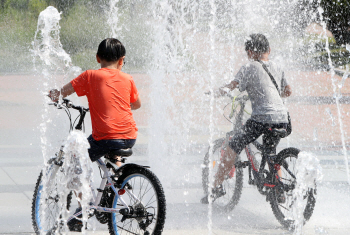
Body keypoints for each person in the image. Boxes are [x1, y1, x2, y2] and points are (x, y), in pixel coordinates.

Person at [48, 38, 141, 231]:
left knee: (73, 160)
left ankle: (86, 207)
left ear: (98, 58)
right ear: (122, 61)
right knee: (113, 150)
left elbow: (62, 93)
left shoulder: (90, 76)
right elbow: (136, 104)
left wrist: (53, 95)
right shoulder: (128, 79)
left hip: (105, 136)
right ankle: (117, 185)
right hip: (130, 136)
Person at [201, 33, 292, 204]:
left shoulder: (248, 67)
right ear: (269, 50)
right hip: (283, 118)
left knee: (233, 145)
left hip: (262, 118)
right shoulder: (278, 67)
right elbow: (288, 91)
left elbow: (231, 87)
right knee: (270, 151)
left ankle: (216, 187)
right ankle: (279, 190)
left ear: (250, 52)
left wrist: (215, 93)